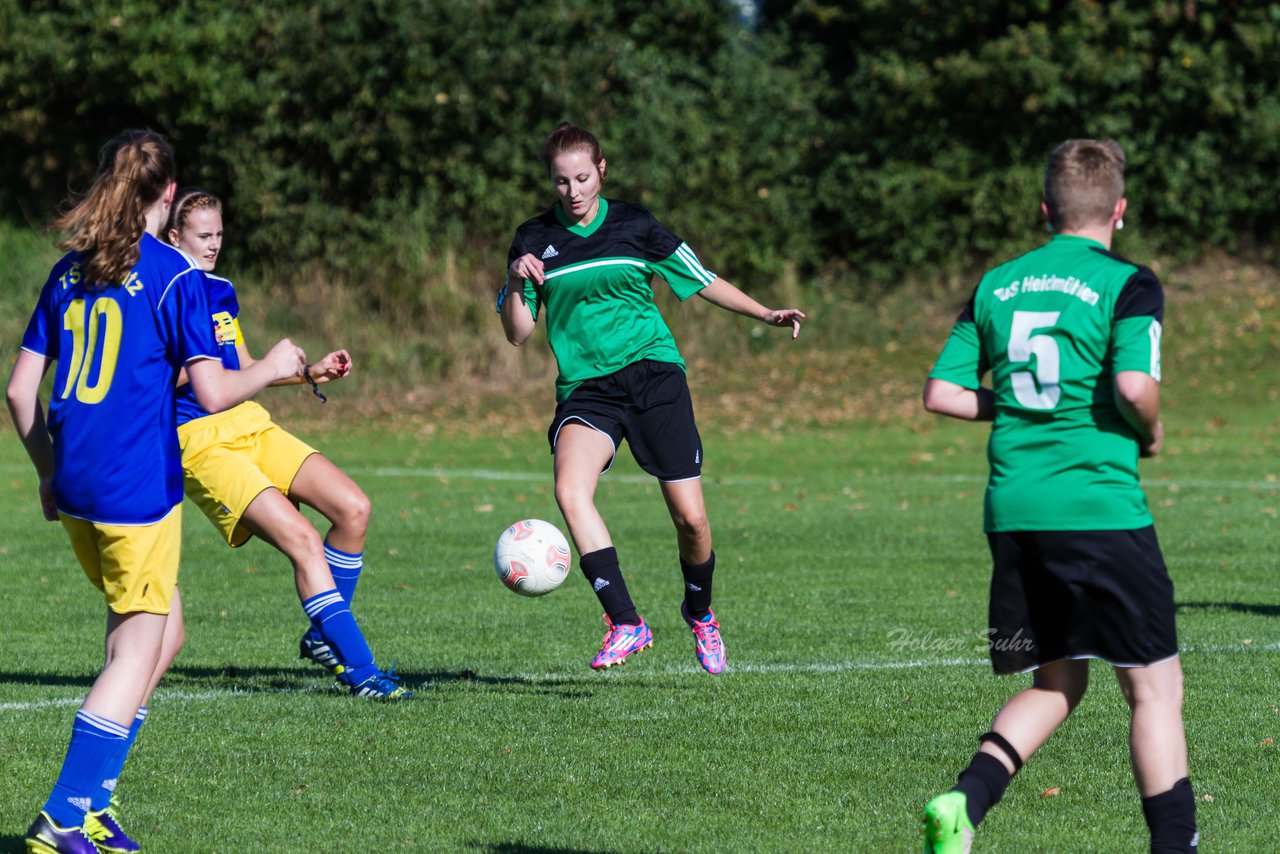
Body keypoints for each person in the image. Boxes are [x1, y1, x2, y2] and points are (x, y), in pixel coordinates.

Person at [8, 129, 305, 854]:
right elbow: (211, 391)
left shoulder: (70, 270)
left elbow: (20, 392)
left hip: (76, 479)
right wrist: (271, 367)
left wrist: (47, 471)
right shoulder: (176, 275)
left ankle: (97, 807)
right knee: (134, 653)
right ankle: (62, 815)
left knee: (162, 632)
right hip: (134, 488)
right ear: (168, 193)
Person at [920, 139, 1197, 853]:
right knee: (1154, 692)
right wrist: (1154, 429)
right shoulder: (1129, 283)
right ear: (1120, 211)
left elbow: (942, 394)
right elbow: (1135, 388)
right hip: (1099, 510)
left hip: (1016, 513)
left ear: (1046, 210)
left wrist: (1011, 411)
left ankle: (963, 801)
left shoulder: (997, 283)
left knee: (1057, 684)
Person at [498, 123, 806, 674]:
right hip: (587, 389)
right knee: (570, 490)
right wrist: (518, 280)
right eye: (561, 181)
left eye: (583, 178)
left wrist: (764, 312)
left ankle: (701, 614)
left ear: (602, 171)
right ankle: (625, 622)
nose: (572, 191)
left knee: (691, 521)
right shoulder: (532, 238)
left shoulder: (635, 224)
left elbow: (700, 277)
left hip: (652, 375)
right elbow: (517, 333)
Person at [163, 188, 411, 701]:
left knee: (353, 508)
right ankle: (362, 673)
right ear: (173, 237)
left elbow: (243, 370)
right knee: (302, 539)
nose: (213, 245)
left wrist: (305, 373)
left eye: (219, 234)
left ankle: (324, 637)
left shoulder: (220, 289)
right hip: (201, 442)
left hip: (250, 423)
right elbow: (175, 381)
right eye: (202, 236)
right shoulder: (160, 294)